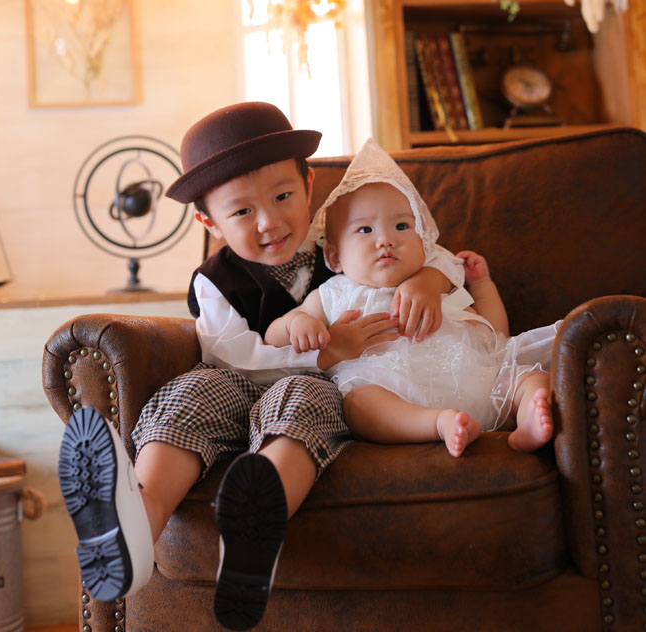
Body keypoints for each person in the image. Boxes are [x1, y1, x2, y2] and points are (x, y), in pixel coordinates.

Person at [58, 104, 462, 631]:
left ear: (309, 186)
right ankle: (139, 518)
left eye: (282, 197)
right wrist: (323, 349)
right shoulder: (213, 280)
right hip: (239, 378)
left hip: (323, 385)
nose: (269, 221)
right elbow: (229, 351)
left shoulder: (350, 233)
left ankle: (254, 527)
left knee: (301, 403)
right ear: (209, 222)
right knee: (191, 392)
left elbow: (435, 253)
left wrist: (427, 280)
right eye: (243, 212)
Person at [265, 138, 557, 459]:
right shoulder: (333, 293)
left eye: (402, 226)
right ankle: (439, 423)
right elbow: (272, 339)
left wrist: (482, 285)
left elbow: (493, 332)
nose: (386, 240)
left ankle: (529, 412)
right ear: (335, 257)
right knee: (360, 404)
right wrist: (297, 324)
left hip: (480, 378)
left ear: (424, 240)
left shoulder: (436, 279)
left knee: (529, 375)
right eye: (365, 230)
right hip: (394, 391)